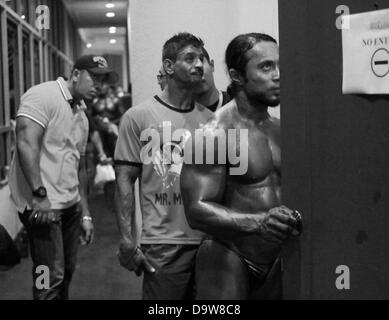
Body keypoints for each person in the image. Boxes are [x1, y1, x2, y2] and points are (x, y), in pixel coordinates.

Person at [180, 33, 302, 300]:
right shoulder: (214, 133)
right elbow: (196, 210)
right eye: (266, 66)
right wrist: (259, 222)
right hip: (229, 254)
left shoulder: (282, 131)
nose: (278, 75)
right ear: (237, 76)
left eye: (280, 65)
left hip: (277, 256)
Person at [8, 54, 118, 300]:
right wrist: (39, 195)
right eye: (95, 78)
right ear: (76, 74)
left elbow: (78, 168)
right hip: (43, 207)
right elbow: (26, 142)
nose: (99, 86)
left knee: (66, 272)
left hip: (70, 206)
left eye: (103, 81)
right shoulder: (43, 95)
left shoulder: (81, 114)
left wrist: (85, 212)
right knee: (47, 275)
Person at [114, 32, 213, 300]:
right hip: (163, 243)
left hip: (209, 243)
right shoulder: (138, 117)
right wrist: (127, 239)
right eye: (190, 58)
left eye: (202, 58)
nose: (199, 64)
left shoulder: (213, 121)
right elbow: (124, 180)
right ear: (169, 67)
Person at [194, 47, 231, 111]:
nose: (197, 70)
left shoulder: (238, 105)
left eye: (201, 60)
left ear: (211, 65)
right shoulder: (177, 114)